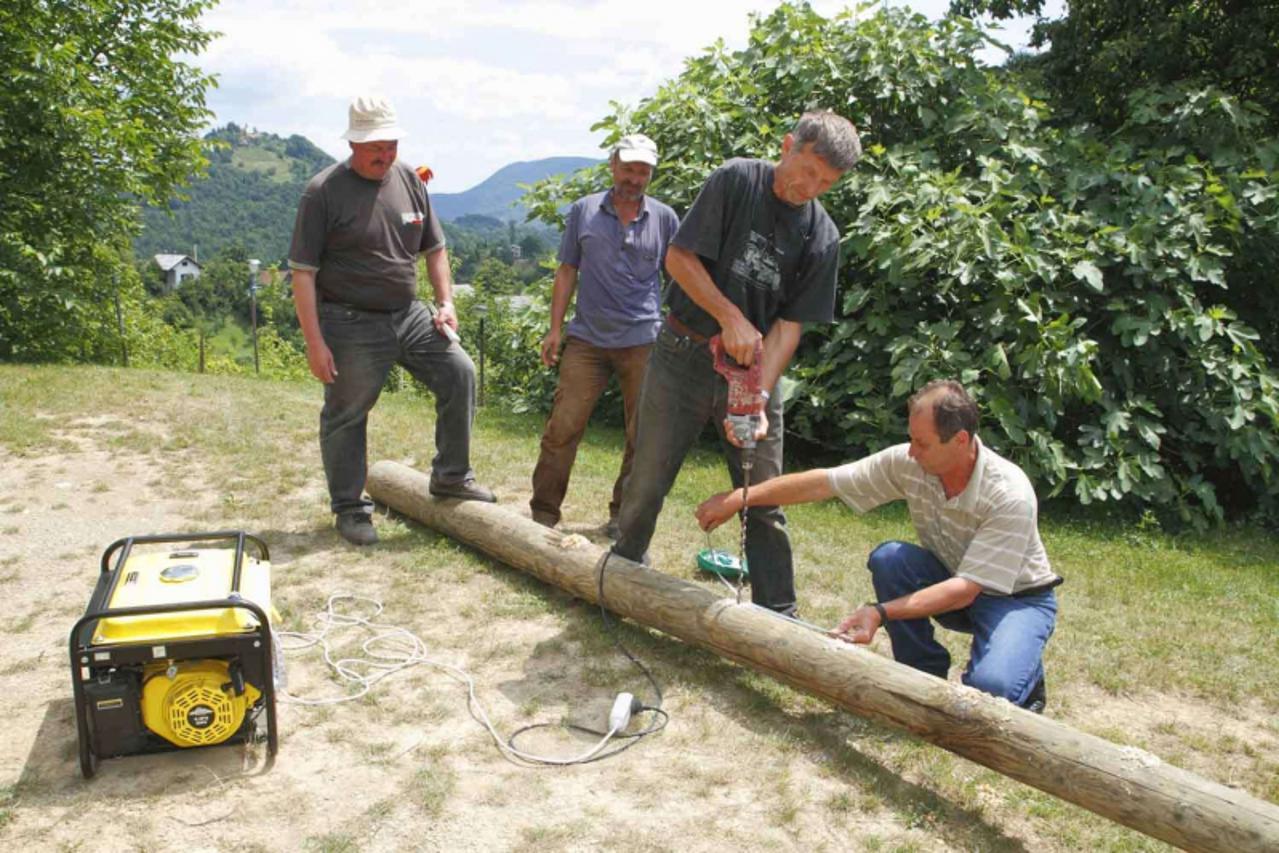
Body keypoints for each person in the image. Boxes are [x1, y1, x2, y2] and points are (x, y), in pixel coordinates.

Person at [610, 111, 862, 616]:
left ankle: (779, 615)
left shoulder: (822, 236)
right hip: (682, 354)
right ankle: (621, 575)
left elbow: (789, 327)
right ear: (789, 145)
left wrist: (760, 397)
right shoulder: (735, 181)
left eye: (826, 183)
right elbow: (680, 259)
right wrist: (729, 316)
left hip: (752, 373)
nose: (810, 188)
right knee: (648, 476)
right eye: (807, 171)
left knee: (763, 495)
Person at [694, 380, 1061, 711]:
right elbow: (824, 483)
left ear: (961, 441)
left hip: (1017, 598)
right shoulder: (910, 462)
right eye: (912, 439)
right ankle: (921, 677)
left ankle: (1025, 672)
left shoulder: (1009, 493)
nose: (912, 452)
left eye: (923, 443)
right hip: (954, 580)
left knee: (989, 691)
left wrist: (879, 612)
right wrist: (741, 498)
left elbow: (964, 591)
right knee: (890, 559)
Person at [289, 94, 494, 547]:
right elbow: (303, 274)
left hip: (411, 314)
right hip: (348, 322)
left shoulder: (408, 178)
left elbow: (434, 248)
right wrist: (314, 342)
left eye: (391, 145)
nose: (384, 156)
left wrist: (445, 302)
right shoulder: (322, 192)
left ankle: (451, 477)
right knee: (347, 413)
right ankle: (349, 507)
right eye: (374, 148)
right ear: (353, 144)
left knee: (460, 372)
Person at [529, 134, 679, 536]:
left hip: (644, 340)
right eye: (628, 168)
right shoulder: (583, 211)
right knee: (563, 426)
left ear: (651, 174)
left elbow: (681, 276)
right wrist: (555, 329)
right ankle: (543, 513)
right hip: (587, 341)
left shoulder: (665, 218)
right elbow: (566, 270)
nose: (634, 177)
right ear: (613, 165)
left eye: (643, 171)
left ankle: (622, 517)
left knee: (641, 435)